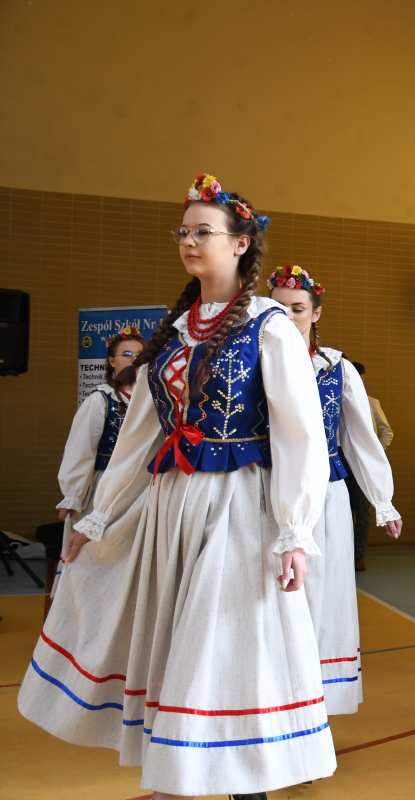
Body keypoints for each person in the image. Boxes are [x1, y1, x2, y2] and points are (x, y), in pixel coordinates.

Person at [18, 173, 335, 800]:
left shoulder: (269, 326)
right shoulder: (174, 330)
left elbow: (300, 437)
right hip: (171, 507)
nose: (189, 242)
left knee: (233, 641)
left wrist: (295, 532)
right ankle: (178, 773)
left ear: (241, 243)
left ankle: (247, 780)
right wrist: (96, 517)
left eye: (203, 232)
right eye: (183, 232)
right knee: (176, 641)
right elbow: (138, 439)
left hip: (239, 505)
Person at [269, 264, 402, 714]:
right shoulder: (253, 364)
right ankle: (269, 701)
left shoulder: (337, 369)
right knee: (268, 598)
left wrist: (383, 500)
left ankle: (312, 705)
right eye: (278, 308)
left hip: (324, 496)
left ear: (316, 313)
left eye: (298, 308)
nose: (288, 317)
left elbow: (361, 438)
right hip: (267, 495)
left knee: (321, 596)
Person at [52, 325, 144, 593]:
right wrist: (73, 494)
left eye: (140, 356)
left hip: (141, 492)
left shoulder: (150, 402)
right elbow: (80, 451)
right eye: (126, 354)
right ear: (112, 361)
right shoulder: (101, 400)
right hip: (103, 492)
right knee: (93, 562)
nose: (134, 360)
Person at [345, 360, 392, 572]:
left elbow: (387, 431)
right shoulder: (337, 401)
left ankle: (358, 555)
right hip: (339, 463)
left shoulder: (371, 403)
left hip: (361, 465)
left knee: (362, 513)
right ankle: (342, 555)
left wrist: (373, 453)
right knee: (341, 511)